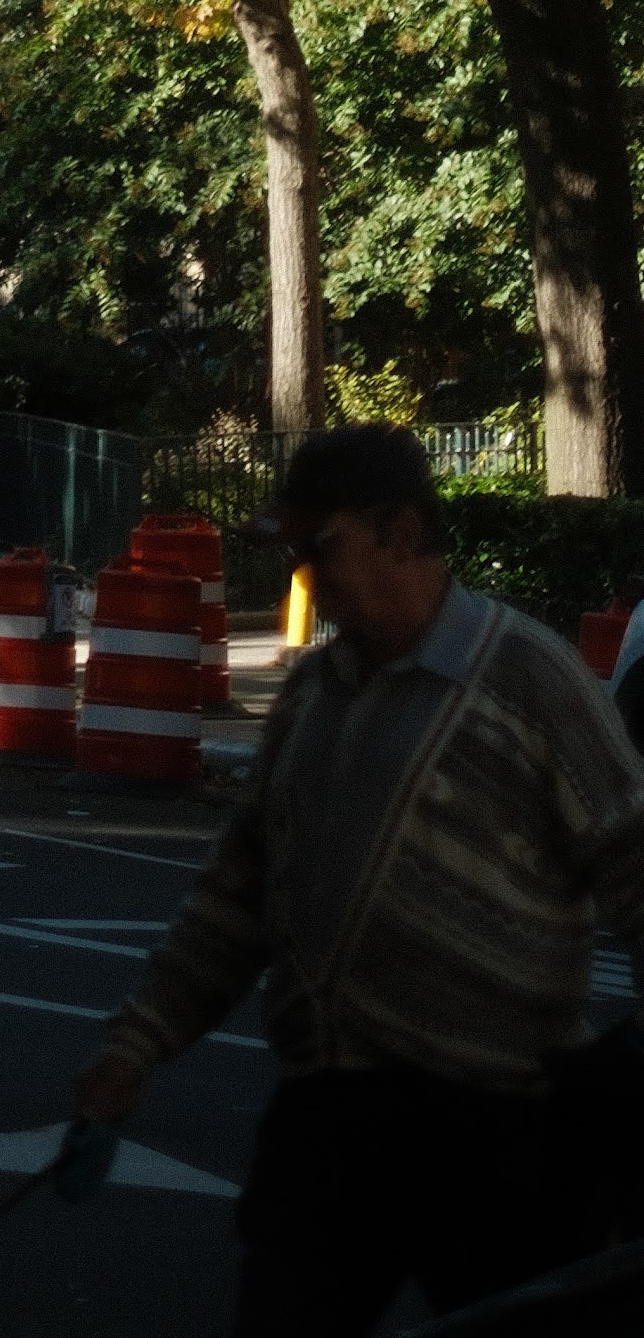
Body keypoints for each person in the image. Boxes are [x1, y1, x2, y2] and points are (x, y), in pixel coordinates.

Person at [73, 422, 644, 1335]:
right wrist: (136, 1045)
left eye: (321, 546)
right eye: (293, 550)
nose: (305, 573)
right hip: (328, 1116)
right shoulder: (314, 696)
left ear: (399, 533)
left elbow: (632, 857)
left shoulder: (528, 679)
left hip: (498, 1126)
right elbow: (235, 894)